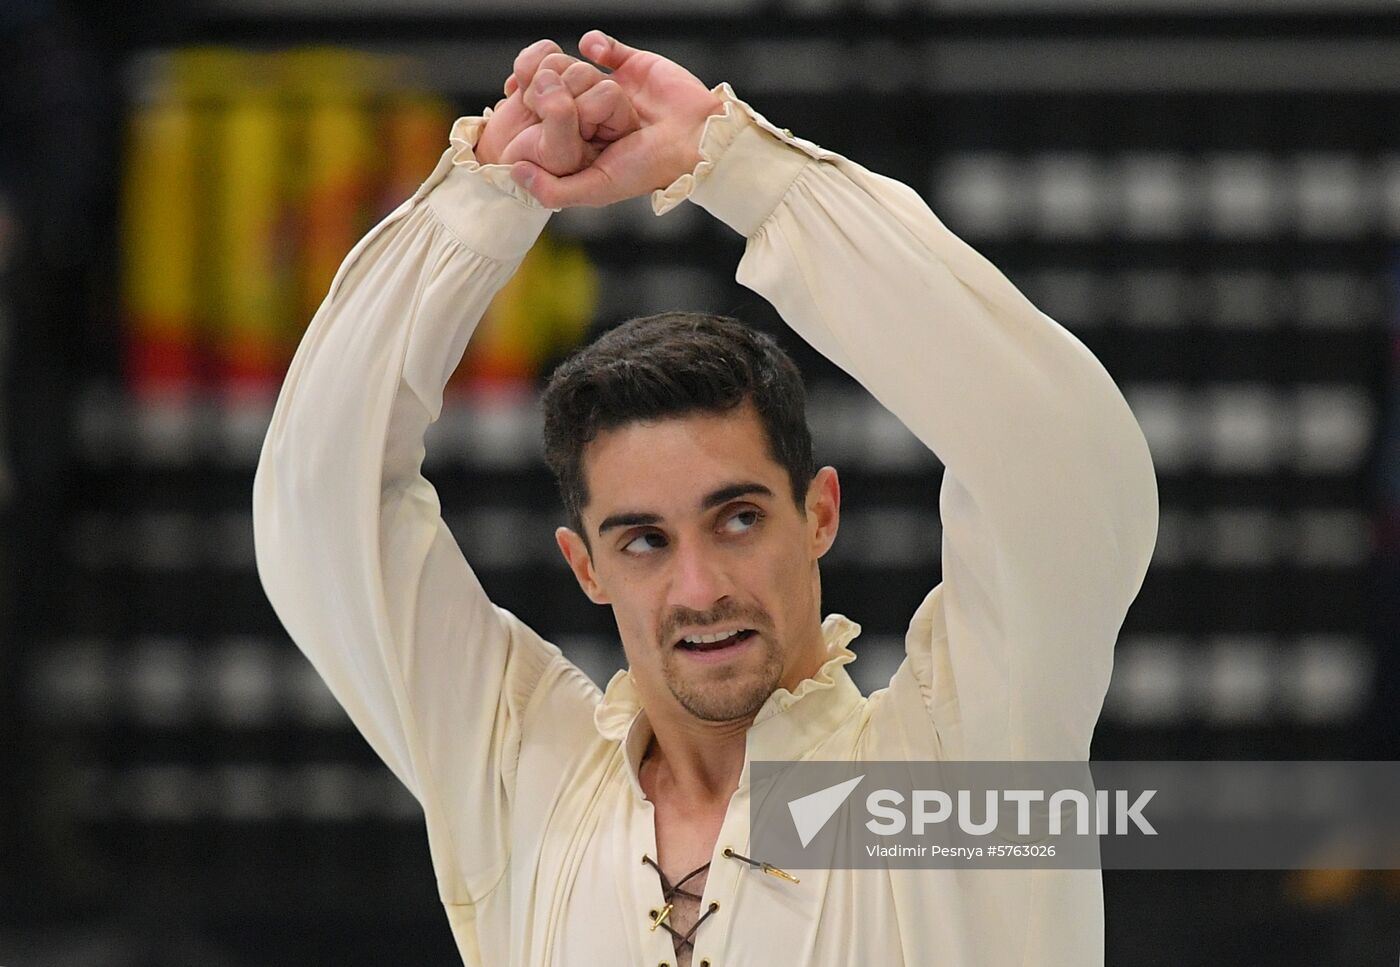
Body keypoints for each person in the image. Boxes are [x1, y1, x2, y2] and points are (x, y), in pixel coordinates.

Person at [252, 30, 1159, 967]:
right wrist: (486, 190)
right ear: (585, 566)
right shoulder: (525, 777)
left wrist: (742, 171)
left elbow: (1064, 465)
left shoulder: (953, 772)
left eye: (737, 518)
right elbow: (321, 503)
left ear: (820, 513)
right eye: (643, 539)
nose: (699, 586)